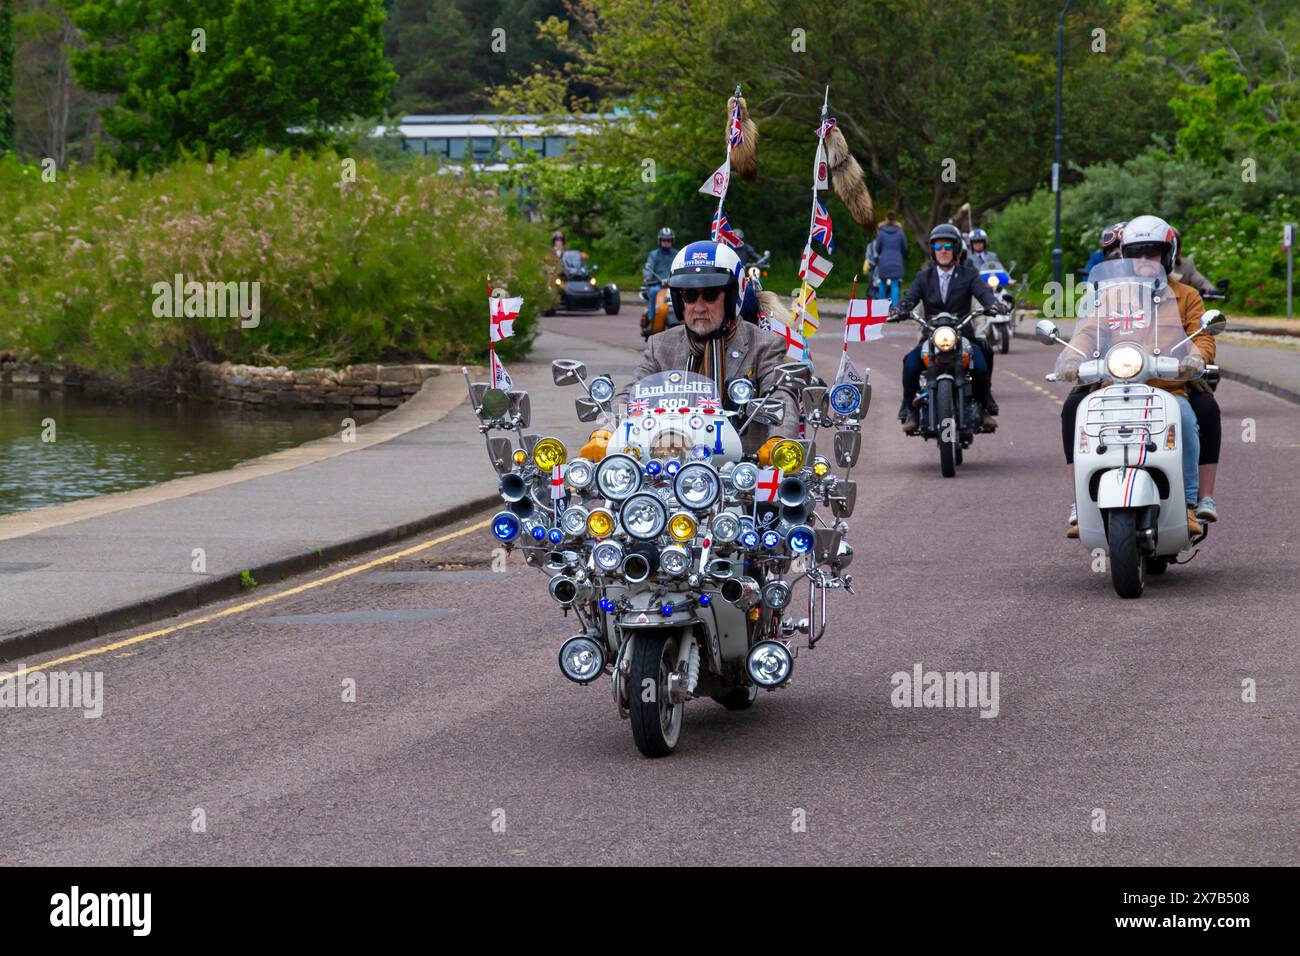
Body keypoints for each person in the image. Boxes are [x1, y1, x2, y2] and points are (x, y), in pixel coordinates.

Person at [1059, 214, 1213, 537]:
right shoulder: (1112, 296)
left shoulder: (1187, 296)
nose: (1145, 261)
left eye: (1152, 253)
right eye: (1137, 254)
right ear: (1126, 257)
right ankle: (1080, 502)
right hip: (1114, 386)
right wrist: (1073, 356)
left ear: (1167, 256)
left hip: (1168, 389)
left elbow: (1202, 335)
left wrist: (1197, 356)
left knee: (1185, 419)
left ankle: (1187, 505)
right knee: (1080, 416)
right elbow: (1089, 332)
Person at [623, 240, 799, 456]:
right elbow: (630, 393)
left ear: (732, 297)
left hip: (739, 472)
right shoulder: (661, 345)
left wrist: (777, 440)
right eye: (689, 295)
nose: (698, 307)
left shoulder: (763, 344)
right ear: (679, 301)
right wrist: (603, 434)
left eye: (710, 295)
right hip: (670, 467)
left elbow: (781, 395)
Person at [891, 223, 1004, 434]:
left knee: (980, 363)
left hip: (963, 336)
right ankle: (909, 408)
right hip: (932, 336)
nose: (943, 250)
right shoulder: (923, 277)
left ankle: (984, 404)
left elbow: (984, 293)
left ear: (956, 249)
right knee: (910, 363)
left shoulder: (969, 275)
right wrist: (899, 310)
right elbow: (909, 298)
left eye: (948, 246)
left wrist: (993, 305)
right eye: (938, 246)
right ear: (933, 251)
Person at [873, 210, 908, 307]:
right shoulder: (900, 232)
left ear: (886, 219)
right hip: (897, 261)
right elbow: (905, 248)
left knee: (882, 284)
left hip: (884, 260)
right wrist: (901, 255)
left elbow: (877, 248)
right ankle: (894, 309)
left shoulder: (881, 233)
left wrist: (882, 253)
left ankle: (880, 308)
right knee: (895, 284)